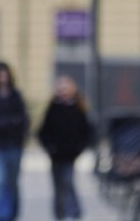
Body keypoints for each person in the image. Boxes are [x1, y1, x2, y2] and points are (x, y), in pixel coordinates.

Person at [38, 76, 93, 221]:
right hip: (55, 155)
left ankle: (74, 212)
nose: (63, 91)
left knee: (67, 182)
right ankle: (59, 214)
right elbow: (43, 132)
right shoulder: (53, 108)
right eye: (60, 88)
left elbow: (88, 132)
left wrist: (79, 148)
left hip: (70, 155)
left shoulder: (78, 109)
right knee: (57, 185)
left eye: (66, 88)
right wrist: (49, 147)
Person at [0, 61, 29, 221]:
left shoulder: (16, 96)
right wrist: (8, 122)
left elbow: (22, 120)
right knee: (1, 179)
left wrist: (7, 124)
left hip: (14, 145)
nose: (3, 78)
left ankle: (13, 212)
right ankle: (2, 214)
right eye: (0, 74)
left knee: (13, 181)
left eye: (5, 74)